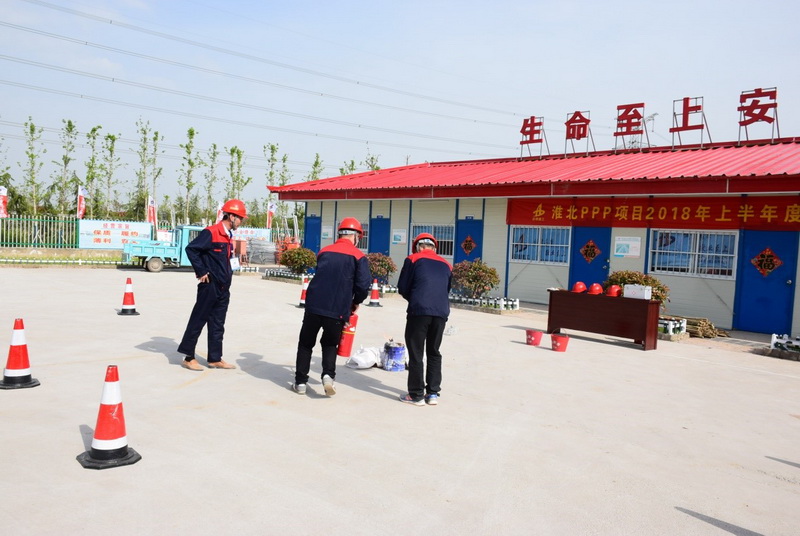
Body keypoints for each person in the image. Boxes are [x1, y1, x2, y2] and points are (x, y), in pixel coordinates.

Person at [292, 217, 371, 396]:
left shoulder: (324, 251)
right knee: (329, 344)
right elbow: (362, 285)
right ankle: (328, 377)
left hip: (314, 306)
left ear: (340, 233)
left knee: (305, 344)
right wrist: (355, 302)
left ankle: (300, 383)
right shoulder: (359, 256)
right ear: (356, 236)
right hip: (337, 309)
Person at [177, 199, 247, 371]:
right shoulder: (211, 232)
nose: (241, 221)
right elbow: (191, 249)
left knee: (217, 323)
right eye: (240, 218)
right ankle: (188, 357)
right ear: (231, 216)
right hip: (210, 286)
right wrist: (201, 271)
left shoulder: (228, 235)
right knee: (198, 320)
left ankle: (215, 358)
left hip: (224, 287)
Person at [397, 232, 452, 406]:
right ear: (434, 248)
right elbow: (446, 288)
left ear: (419, 247)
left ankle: (416, 395)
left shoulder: (412, 259)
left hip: (419, 311)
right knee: (434, 351)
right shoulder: (447, 265)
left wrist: (415, 298)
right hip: (441, 312)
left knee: (416, 352)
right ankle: (433, 393)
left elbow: (403, 287)